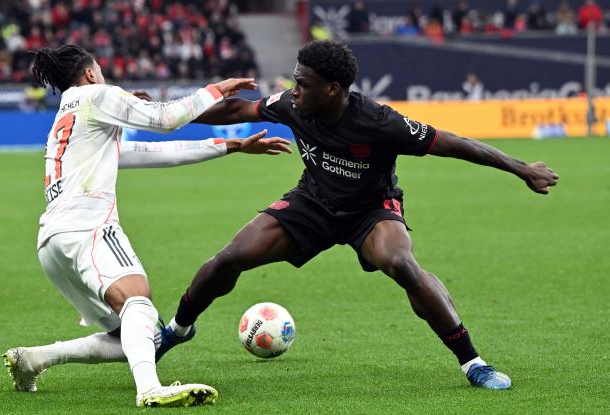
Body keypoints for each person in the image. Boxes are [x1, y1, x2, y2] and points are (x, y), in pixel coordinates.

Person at [157, 40, 559, 390]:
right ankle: (177, 330)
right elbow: (238, 111)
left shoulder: (379, 122)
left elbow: (454, 143)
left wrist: (521, 168)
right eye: (295, 81)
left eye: (303, 83)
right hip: (312, 203)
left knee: (401, 264)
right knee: (229, 257)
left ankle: (473, 363)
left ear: (332, 89)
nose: (293, 90)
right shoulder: (293, 105)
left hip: (371, 210)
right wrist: (167, 112)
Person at [2, 44, 291, 408]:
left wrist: (229, 146)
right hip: (86, 225)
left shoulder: (69, 116)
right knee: (138, 301)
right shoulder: (96, 95)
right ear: (90, 73)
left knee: (136, 336)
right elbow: (165, 119)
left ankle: (34, 359)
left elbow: (150, 153)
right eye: (101, 71)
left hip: (52, 242)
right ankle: (149, 390)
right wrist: (216, 90)